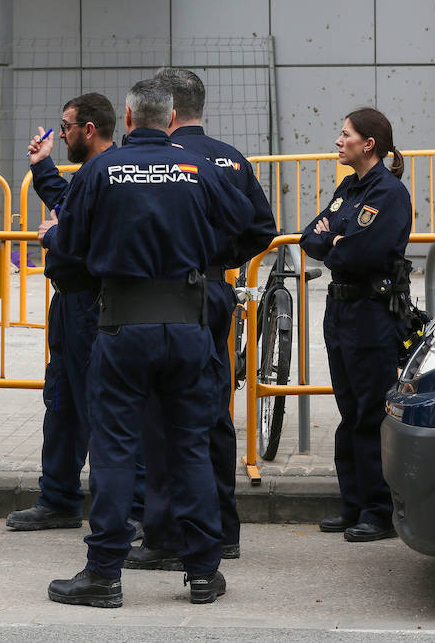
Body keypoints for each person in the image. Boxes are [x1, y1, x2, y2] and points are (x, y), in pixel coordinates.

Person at [44, 79, 252, 607]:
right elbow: (243, 232)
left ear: (130, 120)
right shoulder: (199, 168)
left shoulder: (100, 171)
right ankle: (203, 571)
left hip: (122, 326)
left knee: (115, 450)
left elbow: (68, 249)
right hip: (188, 326)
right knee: (190, 448)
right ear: (172, 118)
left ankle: (104, 576)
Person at [127, 68, 277, 571]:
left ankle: (166, 532)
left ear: (164, 109)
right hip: (214, 289)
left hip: (165, 294)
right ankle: (221, 529)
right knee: (213, 408)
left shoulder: (161, 161)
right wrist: (219, 257)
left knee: (161, 416)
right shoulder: (229, 158)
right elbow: (262, 227)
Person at [6, 93, 132, 531]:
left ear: (89, 130)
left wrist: (55, 238)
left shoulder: (108, 172)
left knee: (98, 406)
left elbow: (88, 237)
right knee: (61, 402)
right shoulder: (91, 173)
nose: (60, 135)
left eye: (65, 127)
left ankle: (122, 511)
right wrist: (42, 166)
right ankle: (58, 499)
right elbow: (69, 207)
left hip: (91, 305)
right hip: (70, 305)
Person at [299, 107, 412, 543]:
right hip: (340, 310)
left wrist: (335, 241)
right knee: (349, 410)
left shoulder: (389, 193)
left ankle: (378, 511)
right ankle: (353, 505)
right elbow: (310, 238)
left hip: (371, 313)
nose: (337, 141)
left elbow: (362, 253)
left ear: (369, 144)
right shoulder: (350, 187)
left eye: (344, 134)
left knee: (369, 412)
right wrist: (333, 240)